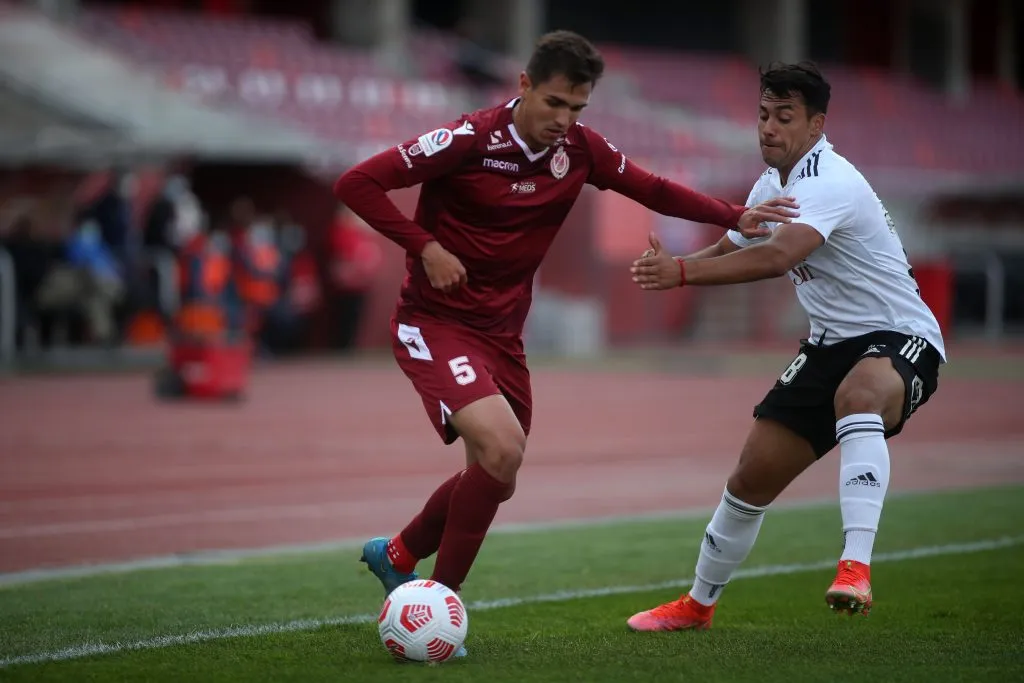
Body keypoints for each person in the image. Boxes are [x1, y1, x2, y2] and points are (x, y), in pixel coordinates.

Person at [332, 31, 798, 656]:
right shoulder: (469, 139)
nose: (564, 120)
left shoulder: (581, 151)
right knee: (501, 451)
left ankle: (394, 554)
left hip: (503, 335)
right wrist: (427, 246)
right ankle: (441, 604)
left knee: (497, 473)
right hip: (434, 323)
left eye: (577, 108)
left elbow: (653, 188)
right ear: (523, 86)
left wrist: (731, 214)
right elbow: (356, 183)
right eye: (554, 103)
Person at [625, 61, 946, 631]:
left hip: (901, 336)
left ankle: (854, 567)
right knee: (751, 477)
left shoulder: (831, 180)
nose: (768, 128)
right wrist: (672, 268)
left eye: (784, 117)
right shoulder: (773, 183)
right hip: (828, 345)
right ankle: (698, 606)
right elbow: (729, 248)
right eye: (763, 115)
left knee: (861, 396)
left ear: (816, 124)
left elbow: (777, 256)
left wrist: (680, 274)